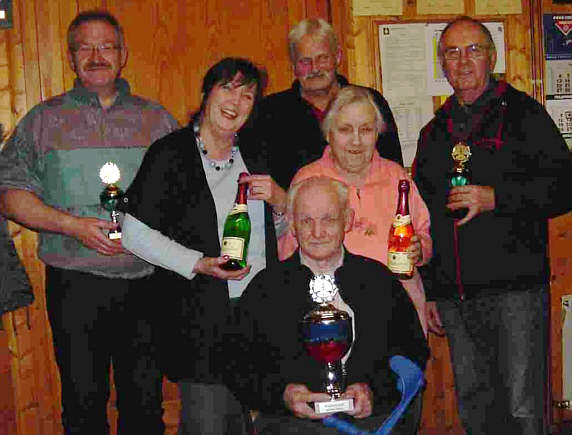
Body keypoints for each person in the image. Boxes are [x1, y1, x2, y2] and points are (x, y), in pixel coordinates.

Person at [0, 10, 179, 434]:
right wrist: (72, 226)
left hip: (147, 285)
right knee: (83, 406)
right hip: (75, 286)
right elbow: (9, 195)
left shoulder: (158, 121)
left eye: (106, 47)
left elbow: (182, 195)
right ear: (70, 57)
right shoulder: (43, 121)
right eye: (85, 48)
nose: (96, 56)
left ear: (123, 54)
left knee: (145, 406)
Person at [413, 16, 572, 434]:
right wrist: (431, 290)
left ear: (492, 57)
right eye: (452, 52)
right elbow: (423, 219)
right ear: (442, 64)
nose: (463, 61)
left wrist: (496, 198)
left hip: (516, 293)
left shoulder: (525, 115)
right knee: (475, 411)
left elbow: (564, 186)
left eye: (474, 50)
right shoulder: (434, 133)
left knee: (523, 410)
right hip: (456, 298)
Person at [122, 57, 286, 435]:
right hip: (199, 320)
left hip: (256, 314)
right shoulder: (171, 154)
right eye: (227, 88)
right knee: (208, 424)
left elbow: (275, 235)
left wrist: (280, 202)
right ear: (206, 93)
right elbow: (133, 233)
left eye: (247, 95)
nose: (235, 102)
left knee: (254, 426)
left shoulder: (257, 152)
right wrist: (197, 263)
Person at [227, 176, 428, 434]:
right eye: (306, 221)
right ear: (292, 224)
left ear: (347, 220)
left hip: (372, 421)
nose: (317, 232)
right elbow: (236, 364)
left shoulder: (379, 281)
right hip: (292, 424)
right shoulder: (266, 288)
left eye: (328, 219)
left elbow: (413, 353)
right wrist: (282, 395)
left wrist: (374, 392)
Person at [278, 86, 431, 335]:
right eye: (345, 130)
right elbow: (288, 256)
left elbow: (424, 235)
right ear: (329, 134)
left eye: (366, 130)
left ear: (377, 134)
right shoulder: (308, 180)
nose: (356, 141)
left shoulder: (396, 177)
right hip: (330, 315)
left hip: (398, 313)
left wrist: (420, 249)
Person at [246, 18, 403, 190]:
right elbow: (260, 180)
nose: (314, 68)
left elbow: (393, 170)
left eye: (322, 58)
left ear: (338, 57)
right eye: (305, 61)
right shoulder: (268, 112)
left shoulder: (370, 102)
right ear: (293, 66)